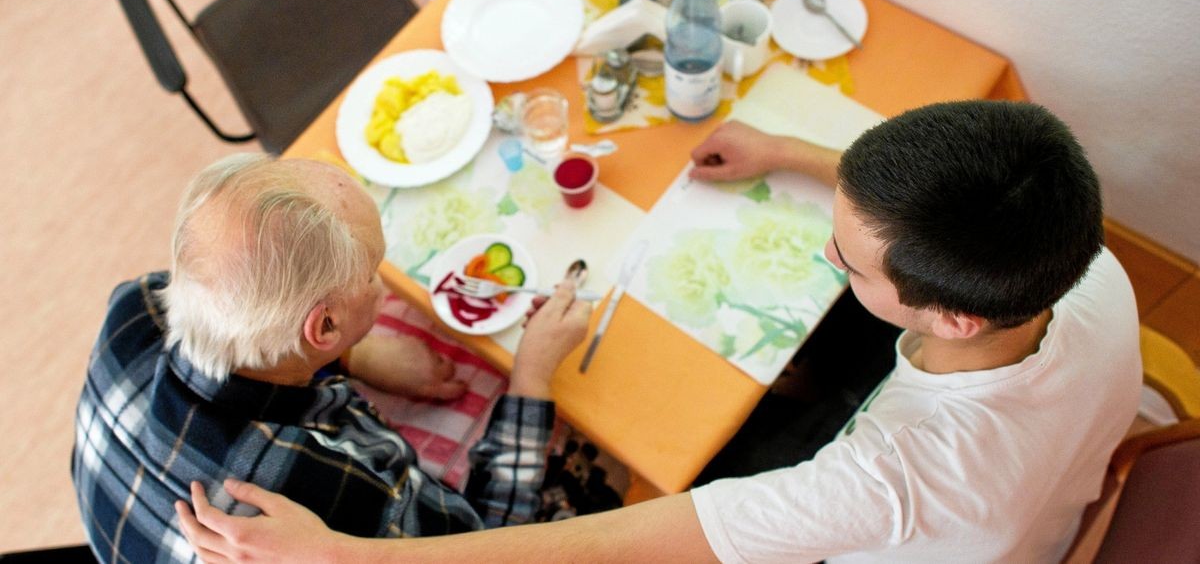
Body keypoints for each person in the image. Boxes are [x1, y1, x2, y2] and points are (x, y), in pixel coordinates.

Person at [174, 101, 1142, 563]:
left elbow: (607, 545)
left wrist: (350, 559)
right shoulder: (1084, 261)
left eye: (849, 264)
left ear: (954, 313)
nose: (830, 265)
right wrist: (790, 150)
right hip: (1060, 479)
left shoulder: (885, 479)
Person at [72, 153, 591, 563]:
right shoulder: (325, 487)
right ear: (323, 327)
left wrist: (355, 357)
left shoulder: (134, 305)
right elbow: (493, 545)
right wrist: (532, 374)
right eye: (372, 271)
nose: (383, 285)